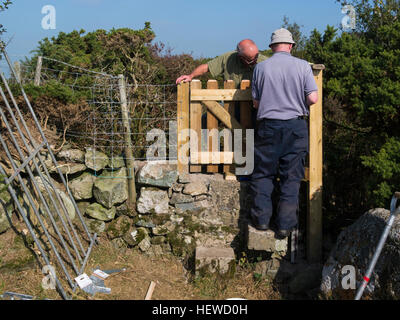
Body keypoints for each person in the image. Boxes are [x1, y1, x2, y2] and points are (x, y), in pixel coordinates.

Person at [249, 28, 318, 239]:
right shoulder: (303, 66)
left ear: (271, 47)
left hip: (268, 127)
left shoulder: (260, 68)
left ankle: (261, 221)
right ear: (290, 46)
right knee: (291, 177)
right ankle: (285, 225)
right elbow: (313, 98)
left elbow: (255, 103)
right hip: (295, 127)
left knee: (263, 174)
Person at [176, 39, 268, 88]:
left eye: (256, 57)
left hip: (254, 104)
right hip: (232, 103)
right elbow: (206, 67)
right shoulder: (228, 58)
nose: (254, 61)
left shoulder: (266, 62)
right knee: (205, 120)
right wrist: (190, 76)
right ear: (240, 56)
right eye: (250, 60)